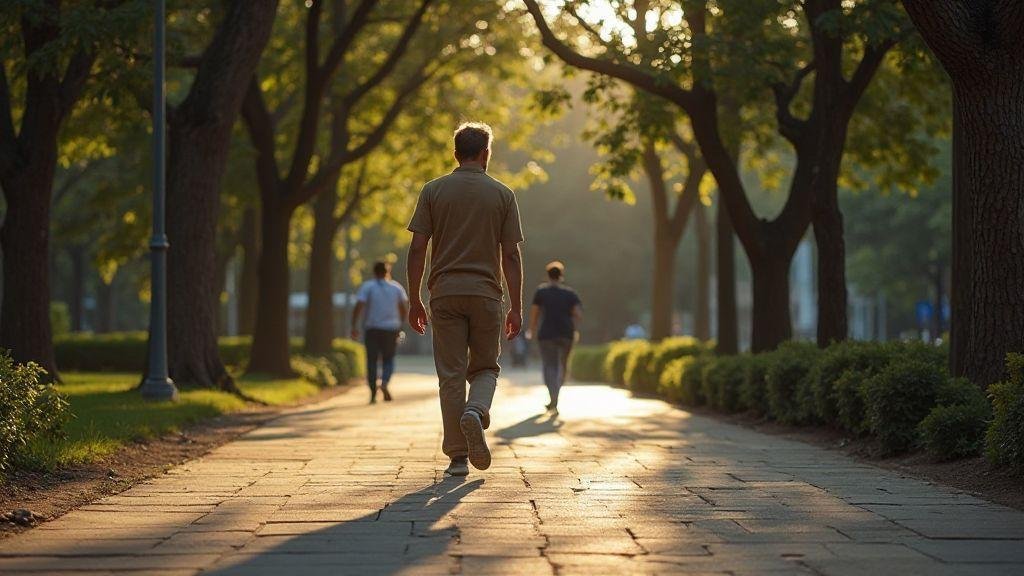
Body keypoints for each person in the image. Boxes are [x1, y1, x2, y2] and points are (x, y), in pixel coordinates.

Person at [406, 122, 524, 477]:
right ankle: (476, 411)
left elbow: (416, 249)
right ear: (486, 152)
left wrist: (414, 299)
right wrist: (516, 307)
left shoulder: (433, 191)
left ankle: (457, 456)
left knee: (451, 374)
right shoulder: (502, 194)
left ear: (455, 153)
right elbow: (511, 256)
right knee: (486, 367)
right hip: (487, 294)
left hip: (444, 294)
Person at [527, 261, 582, 414]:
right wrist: (573, 326)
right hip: (566, 333)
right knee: (563, 365)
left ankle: (553, 397)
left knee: (549, 365)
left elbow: (535, 313)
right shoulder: (570, 294)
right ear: (561, 276)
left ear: (548, 275)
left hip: (546, 334)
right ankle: (556, 397)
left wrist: (531, 330)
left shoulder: (541, 292)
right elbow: (578, 314)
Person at [351, 261, 409, 404]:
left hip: (372, 329)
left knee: (371, 361)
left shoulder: (368, 287)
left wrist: (354, 325)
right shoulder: (396, 287)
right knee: (388, 359)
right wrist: (401, 325)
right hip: (391, 329)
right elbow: (403, 308)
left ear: (374, 272)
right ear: (387, 271)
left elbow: (359, 306)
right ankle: (384, 382)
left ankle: (372, 393)